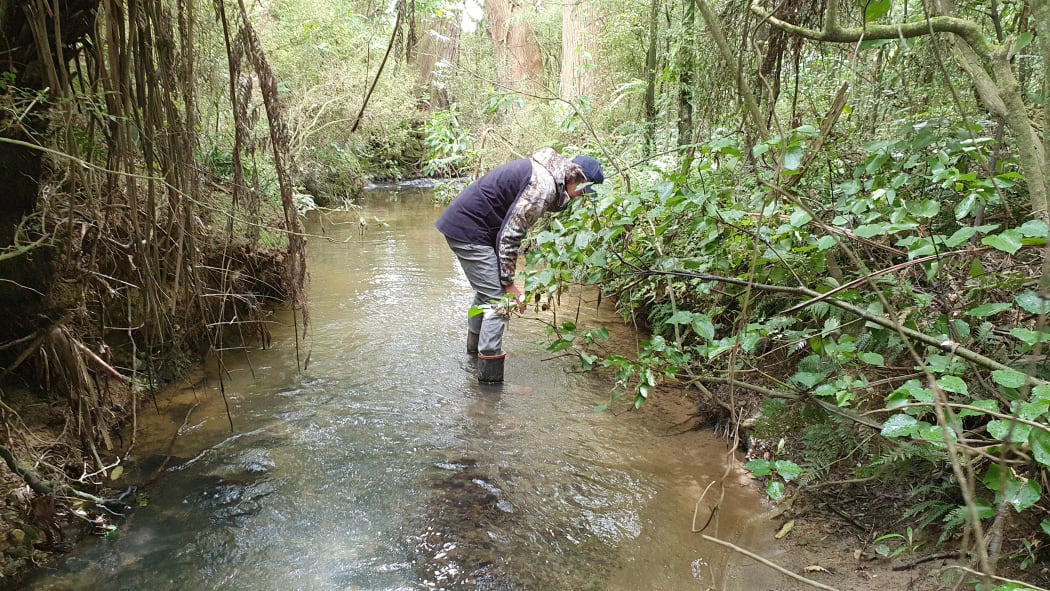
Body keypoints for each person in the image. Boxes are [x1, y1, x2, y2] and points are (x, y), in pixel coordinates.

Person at [435, 147, 605, 383]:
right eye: (584, 193)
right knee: (499, 301)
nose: (581, 199)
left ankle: (474, 355)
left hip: (470, 227)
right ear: (578, 179)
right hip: (469, 231)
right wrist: (508, 284)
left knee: (487, 294)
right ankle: (489, 382)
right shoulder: (542, 187)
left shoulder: (546, 175)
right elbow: (510, 236)